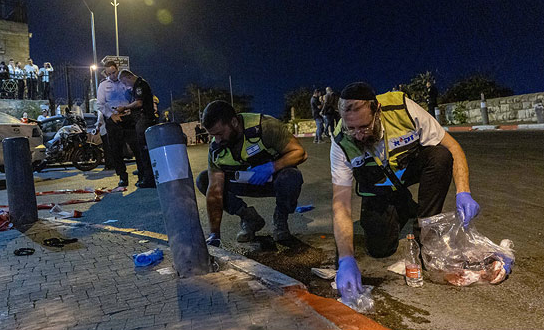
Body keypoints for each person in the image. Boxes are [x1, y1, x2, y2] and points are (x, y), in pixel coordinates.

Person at [330, 81, 481, 303]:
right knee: (380, 249)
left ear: (377, 111)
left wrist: (463, 192)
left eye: (364, 127)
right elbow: (340, 203)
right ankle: (403, 208)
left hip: (408, 170)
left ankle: (426, 229)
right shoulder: (341, 142)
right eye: (351, 128)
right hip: (378, 189)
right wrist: (346, 259)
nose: (359, 135)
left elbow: (453, 148)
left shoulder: (404, 110)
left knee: (440, 156)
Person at [195, 100, 307, 246]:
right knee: (204, 180)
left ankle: (280, 220)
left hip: (272, 180)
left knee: (291, 177)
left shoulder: (265, 127)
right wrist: (214, 235)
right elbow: (215, 190)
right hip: (242, 181)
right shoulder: (216, 150)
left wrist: (272, 167)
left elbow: (300, 153)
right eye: (213, 135)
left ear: (234, 122)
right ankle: (249, 218)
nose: (217, 139)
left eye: (220, 133)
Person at [96, 61, 142, 187]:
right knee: (116, 150)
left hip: (128, 117)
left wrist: (130, 110)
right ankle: (122, 177)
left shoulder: (125, 81)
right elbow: (100, 104)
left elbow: (134, 97)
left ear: (118, 69)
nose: (112, 76)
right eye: (109, 73)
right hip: (113, 119)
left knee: (136, 147)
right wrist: (111, 115)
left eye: (114, 72)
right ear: (106, 73)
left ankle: (142, 174)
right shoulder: (103, 86)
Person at [116, 69, 157, 188]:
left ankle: (149, 179)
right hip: (142, 119)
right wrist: (130, 110)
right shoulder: (138, 85)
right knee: (143, 150)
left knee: (145, 150)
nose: (125, 85)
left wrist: (124, 107)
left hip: (144, 120)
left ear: (128, 77)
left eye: (124, 82)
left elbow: (139, 103)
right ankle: (147, 177)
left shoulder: (139, 85)